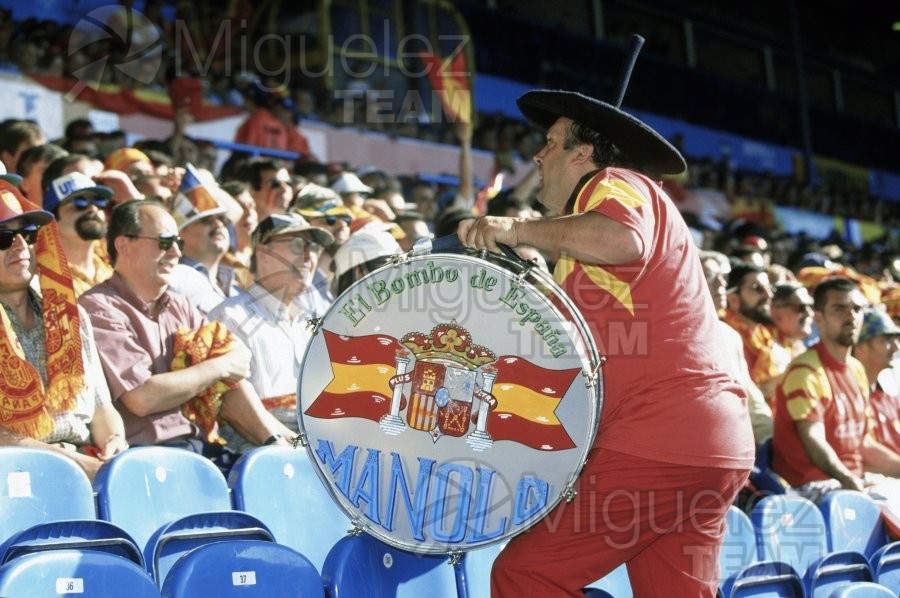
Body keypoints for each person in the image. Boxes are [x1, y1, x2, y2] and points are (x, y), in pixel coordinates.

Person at [458, 85, 753, 594]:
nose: (538, 155)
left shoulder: (613, 181)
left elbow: (622, 239)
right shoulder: (581, 250)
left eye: (551, 142)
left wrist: (517, 227)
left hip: (659, 438)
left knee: (525, 572)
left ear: (585, 152)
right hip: (713, 446)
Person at [79, 200, 292, 472]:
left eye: (178, 241)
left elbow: (235, 369)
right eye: (165, 242)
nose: (177, 252)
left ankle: (285, 448)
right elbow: (141, 398)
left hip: (202, 450)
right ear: (123, 245)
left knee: (275, 471)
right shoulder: (99, 307)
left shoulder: (181, 305)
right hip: (147, 461)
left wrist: (279, 443)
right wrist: (217, 367)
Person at [0, 179, 126, 480]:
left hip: (88, 461)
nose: (20, 245)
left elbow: (100, 407)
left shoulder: (69, 314)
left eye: (28, 234)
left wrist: (115, 444)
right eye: (4, 237)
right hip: (16, 475)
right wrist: (73, 464)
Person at [208, 213, 333, 449]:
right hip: (258, 452)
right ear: (263, 254)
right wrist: (302, 446)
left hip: (315, 444)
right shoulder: (231, 317)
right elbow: (234, 408)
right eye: (298, 245)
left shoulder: (313, 321)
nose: (309, 256)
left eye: (313, 247)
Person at [772, 277, 900, 497]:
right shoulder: (806, 372)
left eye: (857, 309)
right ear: (819, 318)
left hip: (852, 484)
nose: (851, 316)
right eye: (839, 308)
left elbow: (862, 444)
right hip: (811, 488)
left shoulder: (856, 370)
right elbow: (814, 442)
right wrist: (849, 479)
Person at [701, 250, 772, 445]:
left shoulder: (731, 337)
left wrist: (771, 438)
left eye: (723, 277)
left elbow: (750, 399)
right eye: (709, 276)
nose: (721, 284)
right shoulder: (668, 331)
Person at [167, 164, 241, 314]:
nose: (218, 224)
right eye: (206, 220)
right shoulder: (175, 279)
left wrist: (207, 186)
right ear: (180, 233)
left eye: (221, 219)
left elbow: (238, 210)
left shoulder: (235, 282)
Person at [722, 262, 790, 399]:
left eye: (769, 288)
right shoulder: (723, 337)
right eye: (758, 288)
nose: (769, 295)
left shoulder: (763, 334)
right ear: (734, 299)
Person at [43, 172, 114, 296]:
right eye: (80, 202)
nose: (93, 209)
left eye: (99, 201)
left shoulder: (114, 268)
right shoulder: (42, 276)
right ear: (52, 220)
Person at [853, 308, 900, 454]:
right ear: (861, 347)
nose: (896, 347)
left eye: (896, 339)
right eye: (886, 339)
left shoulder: (888, 399)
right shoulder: (849, 398)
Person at [769, 281, 815, 359]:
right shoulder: (765, 347)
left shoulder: (798, 347)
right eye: (801, 307)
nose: (810, 313)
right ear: (774, 311)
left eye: (811, 306)